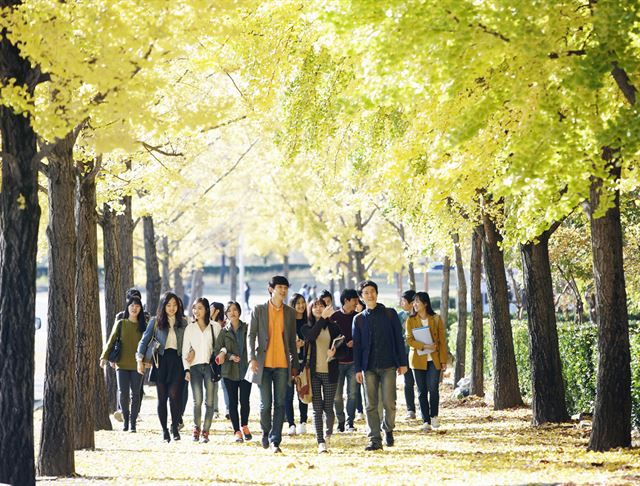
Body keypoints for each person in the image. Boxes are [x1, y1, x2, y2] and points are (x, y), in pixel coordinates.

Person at [352, 280, 408, 451]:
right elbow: (357, 346)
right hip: (368, 367)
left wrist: (403, 362)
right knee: (370, 404)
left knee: (389, 402)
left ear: (377, 293)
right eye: (366, 292)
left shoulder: (390, 314)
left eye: (372, 291)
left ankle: (388, 429)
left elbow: (399, 340)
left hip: (389, 365)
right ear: (361, 297)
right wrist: (357, 369)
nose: (370, 295)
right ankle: (374, 439)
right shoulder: (359, 319)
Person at [247, 275, 300, 453]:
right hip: (263, 364)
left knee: (280, 404)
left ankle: (275, 440)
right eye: (280, 287)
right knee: (265, 404)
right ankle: (265, 433)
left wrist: (295, 366)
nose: (283, 291)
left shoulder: (290, 312)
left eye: (285, 288)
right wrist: (251, 358)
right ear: (271, 289)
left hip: (283, 365)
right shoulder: (259, 309)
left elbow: (292, 341)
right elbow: (251, 335)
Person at [136, 291, 187, 442]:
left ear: (178, 306)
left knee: (175, 396)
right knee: (162, 398)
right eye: (168, 305)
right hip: (160, 361)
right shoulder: (155, 321)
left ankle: (174, 427)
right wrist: (139, 359)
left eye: (174, 305)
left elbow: (189, 342)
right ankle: (164, 430)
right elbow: (144, 341)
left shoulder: (184, 322)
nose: (172, 308)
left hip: (177, 362)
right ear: (163, 306)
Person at [302, 298, 345, 453]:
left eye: (321, 306)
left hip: (330, 372)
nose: (318, 309)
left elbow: (343, 349)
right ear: (310, 310)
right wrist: (323, 319)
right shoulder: (306, 327)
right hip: (313, 373)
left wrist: (335, 352)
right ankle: (320, 441)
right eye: (315, 306)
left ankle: (328, 433)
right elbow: (312, 336)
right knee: (317, 408)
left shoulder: (333, 327)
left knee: (328, 407)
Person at [100, 295, 146, 432]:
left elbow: (149, 344)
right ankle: (126, 421)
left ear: (140, 309)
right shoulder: (121, 323)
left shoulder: (144, 326)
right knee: (123, 393)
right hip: (121, 364)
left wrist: (147, 361)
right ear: (127, 307)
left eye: (137, 306)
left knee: (136, 394)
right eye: (132, 305)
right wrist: (104, 357)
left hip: (138, 364)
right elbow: (111, 340)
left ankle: (133, 423)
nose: (134, 308)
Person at [406, 291, 448, 431]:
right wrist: (424, 346)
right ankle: (426, 421)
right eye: (414, 302)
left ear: (425, 303)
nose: (415, 304)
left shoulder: (436, 319)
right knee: (421, 391)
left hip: (434, 359)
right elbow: (409, 340)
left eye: (418, 301)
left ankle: (434, 416)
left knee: (433, 388)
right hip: (417, 360)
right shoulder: (410, 320)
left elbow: (442, 341)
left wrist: (443, 360)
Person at [214, 301, 253, 442]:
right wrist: (229, 356)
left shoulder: (247, 328)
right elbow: (216, 350)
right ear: (226, 314)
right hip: (228, 372)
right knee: (232, 403)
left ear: (239, 311)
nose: (232, 313)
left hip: (245, 371)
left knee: (245, 401)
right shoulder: (224, 332)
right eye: (229, 311)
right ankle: (237, 430)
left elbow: (253, 345)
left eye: (235, 310)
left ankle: (245, 425)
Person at [182, 297, 216, 443]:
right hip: (195, 368)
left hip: (210, 367)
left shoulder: (215, 327)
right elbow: (185, 351)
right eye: (194, 308)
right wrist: (186, 370)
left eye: (200, 308)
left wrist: (222, 352)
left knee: (209, 402)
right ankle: (196, 428)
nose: (196, 311)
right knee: (197, 401)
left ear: (206, 310)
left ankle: (205, 432)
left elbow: (221, 346)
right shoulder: (189, 328)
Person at [330, 288, 359, 432]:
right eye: (354, 300)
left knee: (353, 394)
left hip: (353, 362)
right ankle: (340, 421)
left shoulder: (359, 317)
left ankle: (350, 422)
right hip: (337, 363)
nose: (357, 303)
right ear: (346, 301)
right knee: (337, 395)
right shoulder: (334, 317)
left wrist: (356, 341)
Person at [285, 293, 309, 435]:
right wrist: (293, 346)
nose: (301, 306)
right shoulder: (288, 323)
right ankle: (291, 424)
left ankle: (303, 422)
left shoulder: (308, 322)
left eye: (302, 302)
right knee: (288, 395)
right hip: (289, 363)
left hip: (304, 363)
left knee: (303, 392)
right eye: (297, 303)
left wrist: (304, 344)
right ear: (292, 306)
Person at [398, 290, 418, 420]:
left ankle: (423, 408)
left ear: (412, 303)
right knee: (408, 381)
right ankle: (411, 410)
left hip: (419, 352)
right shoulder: (399, 316)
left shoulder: (420, 315)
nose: (401, 303)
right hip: (405, 353)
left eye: (404, 301)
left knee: (422, 383)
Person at [211, 301, 229, 418]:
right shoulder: (207, 323)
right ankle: (215, 410)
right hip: (212, 358)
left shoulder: (225, 325)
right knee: (214, 384)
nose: (209, 310)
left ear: (217, 310)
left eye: (211, 308)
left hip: (223, 357)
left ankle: (228, 409)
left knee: (225, 384)